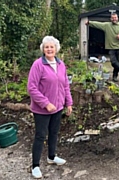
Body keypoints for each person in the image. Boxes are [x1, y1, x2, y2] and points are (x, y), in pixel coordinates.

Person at [27, 36, 73, 178]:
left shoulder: (61, 64)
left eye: (51, 47)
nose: (49, 49)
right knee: (40, 136)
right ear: (43, 49)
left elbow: (65, 85)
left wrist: (69, 102)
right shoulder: (38, 65)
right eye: (46, 47)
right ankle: (35, 166)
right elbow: (31, 87)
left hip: (58, 107)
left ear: (56, 49)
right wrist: (46, 103)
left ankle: (51, 157)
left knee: (54, 133)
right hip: (41, 109)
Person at [85, 13, 119, 82]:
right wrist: (90, 22)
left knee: (118, 62)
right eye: (113, 18)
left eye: (115, 17)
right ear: (111, 19)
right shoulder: (107, 25)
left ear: (117, 18)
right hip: (111, 47)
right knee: (113, 62)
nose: (114, 19)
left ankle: (115, 76)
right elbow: (98, 24)